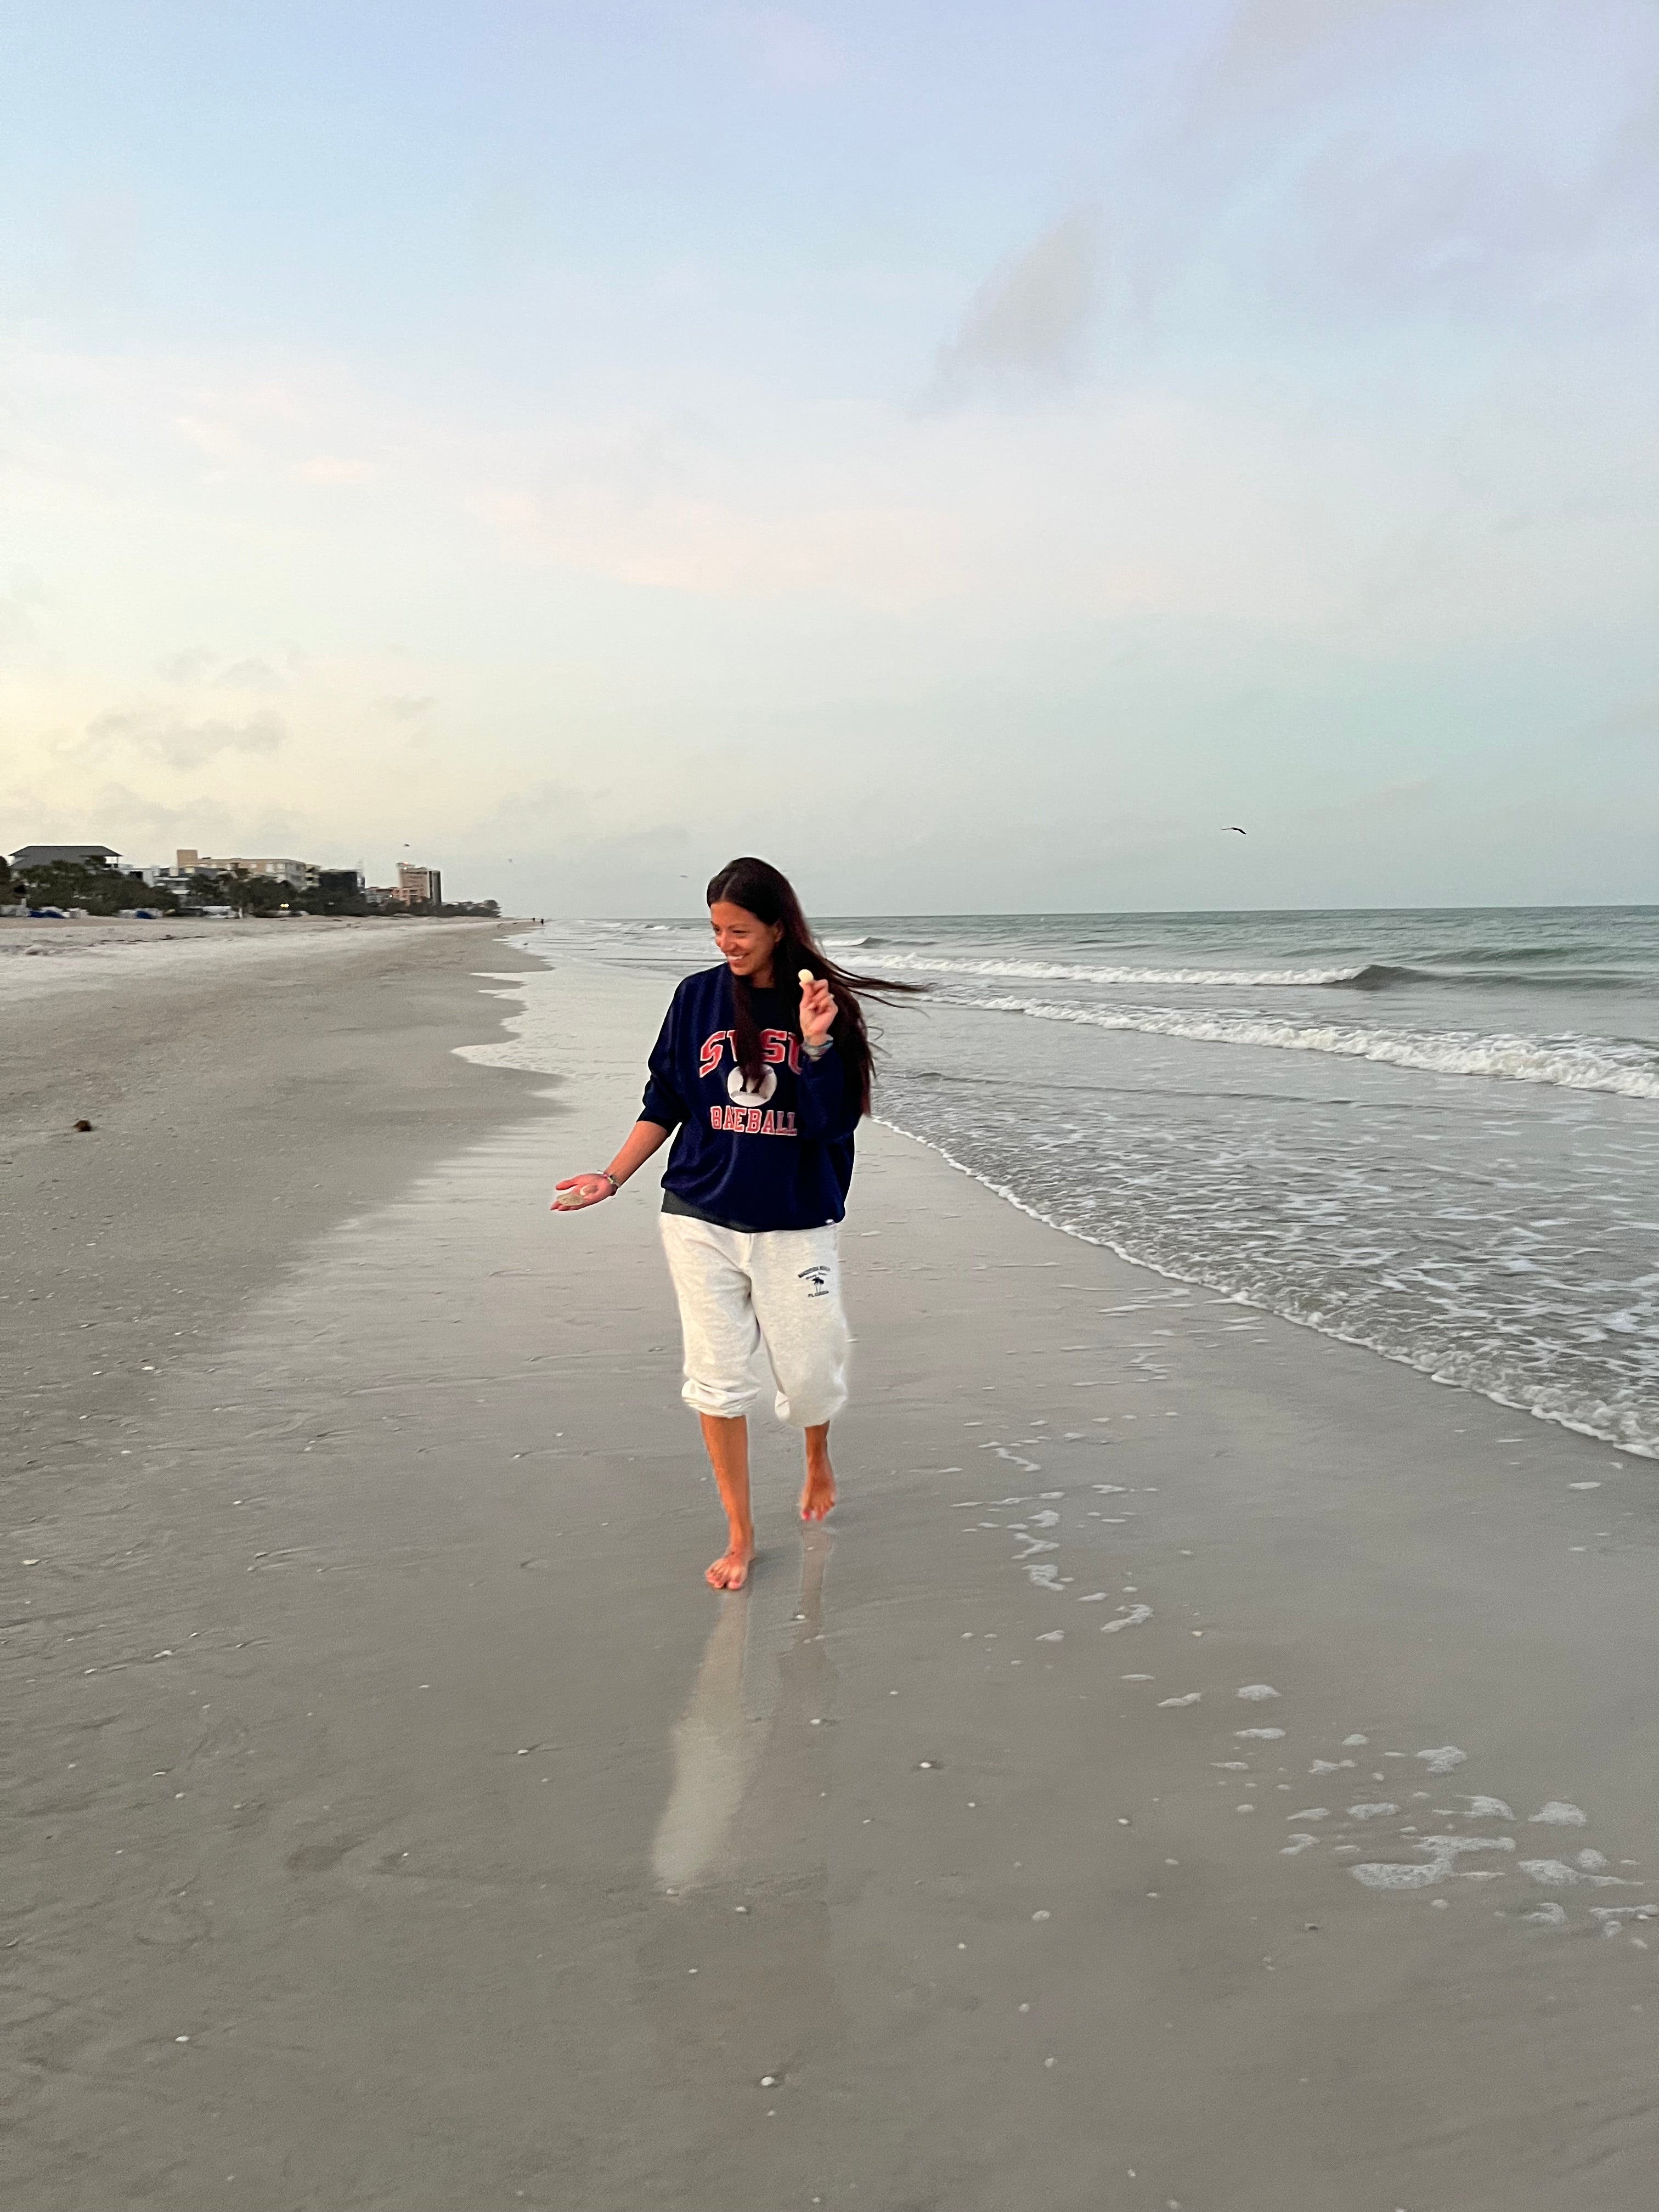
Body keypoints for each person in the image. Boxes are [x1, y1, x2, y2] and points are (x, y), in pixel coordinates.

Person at [552, 856, 921, 1590]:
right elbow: (667, 1100)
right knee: (717, 1382)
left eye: (740, 930)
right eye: (717, 929)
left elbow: (831, 1123)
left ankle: (817, 1453)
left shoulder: (823, 1005)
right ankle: (740, 1535)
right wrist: (611, 1175)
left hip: (794, 1223)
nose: (726, 942)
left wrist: (815, 1047)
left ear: (779, 927)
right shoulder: (695, 1000)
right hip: (699, 1214)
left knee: (811, 1377)